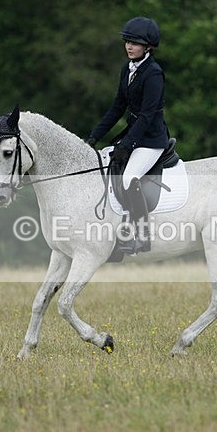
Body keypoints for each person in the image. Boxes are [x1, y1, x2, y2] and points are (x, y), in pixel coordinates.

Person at [86, 17, 171, 254]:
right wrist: (94, 137)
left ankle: (143, 236)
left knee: (129, 177)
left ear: (148, 47)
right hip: (134, 136)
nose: (129, 46)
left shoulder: (153, 73)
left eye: (135, 43)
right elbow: (117, 108)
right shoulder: (128, 68)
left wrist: (126, 144)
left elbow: (146, 116)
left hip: (151, 140)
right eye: (127, 42)